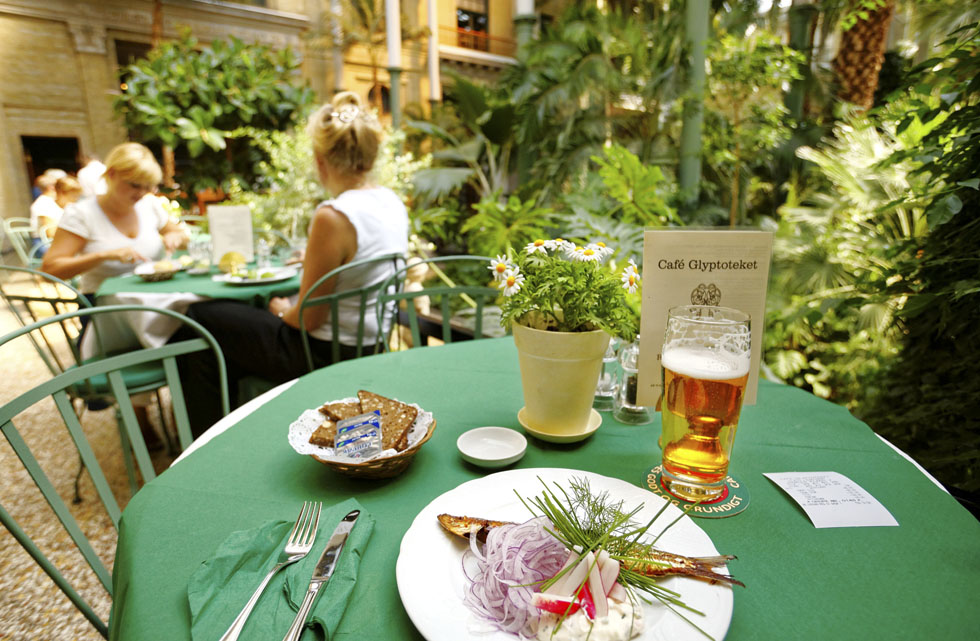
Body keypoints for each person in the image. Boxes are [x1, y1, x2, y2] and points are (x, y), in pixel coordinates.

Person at [172, 92, 409, 436]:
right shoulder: (391, 202)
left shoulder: (334, 214)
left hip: (322, 353)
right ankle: (245, 421)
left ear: (319, 159)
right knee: (234, 325)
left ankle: (204, 440)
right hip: (371, 344)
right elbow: (358, 262)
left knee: (200, 319)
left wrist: (283, 308)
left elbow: (309, 318)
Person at [41, 142, 187, 302]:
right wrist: (104, 256)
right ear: (111, 174)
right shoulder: (82, 213)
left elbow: (177, 233)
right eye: (135, 185)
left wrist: (175, 236)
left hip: (154, 297)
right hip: (107, 304)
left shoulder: (149, 205)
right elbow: (49, 272)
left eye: (148, 187)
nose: (141, 193)